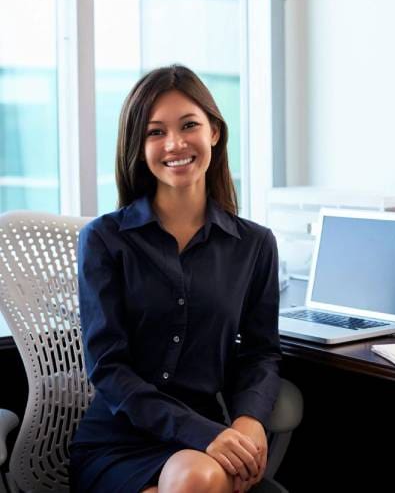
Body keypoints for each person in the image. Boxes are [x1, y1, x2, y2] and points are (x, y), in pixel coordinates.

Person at [68, 64, 282, 493]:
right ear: (138, 145)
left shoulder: (254, 245)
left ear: (215, 133)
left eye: (189, 125)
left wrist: (249, 421)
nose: (175, 144)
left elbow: (260, 353)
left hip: (209, 441)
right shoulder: (105, 241)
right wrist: (208, 436)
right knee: (197, 477)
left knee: (197, 476)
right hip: (120, 440)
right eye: (155, 132)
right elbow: (109, 368)